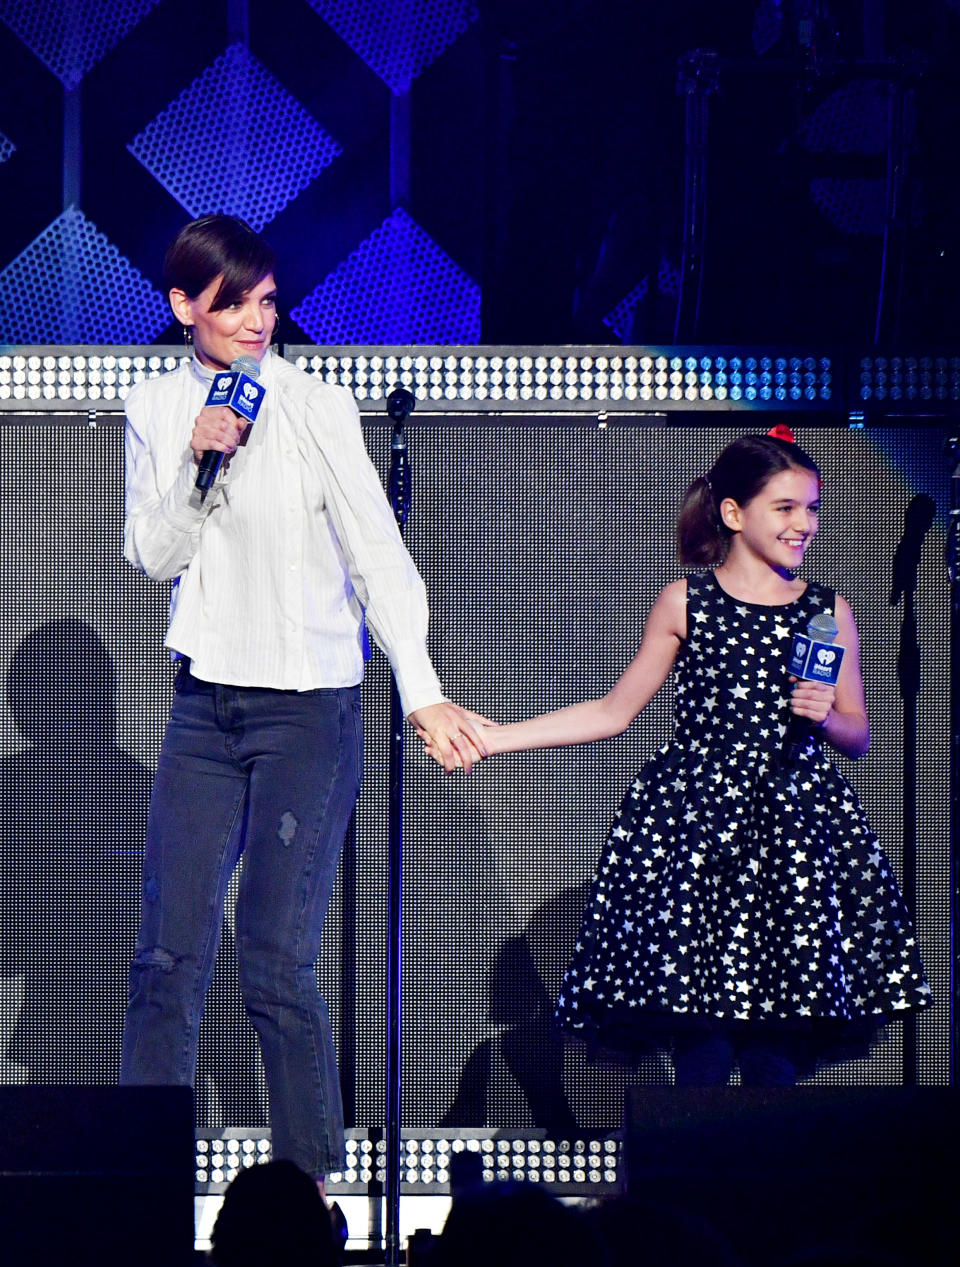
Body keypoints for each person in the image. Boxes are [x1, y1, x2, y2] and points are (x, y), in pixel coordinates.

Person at [120, 214, 485, 1182]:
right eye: (231, 301)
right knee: (166, 958)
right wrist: (198, 464)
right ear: (184, 307)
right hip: (204, 704)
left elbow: (378, 554)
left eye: (267, 299)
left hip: (307, 710)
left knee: (276, 958)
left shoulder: (317, 405)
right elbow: (152, 553)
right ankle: (137, 1178)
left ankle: (305, 1191)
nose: (253, 319)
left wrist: (423, 689)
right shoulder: (154, 405)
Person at [448, 430, 929, 1084]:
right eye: (785, 508)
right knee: (701, 1040)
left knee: (775, 1044)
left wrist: (827, 717)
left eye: (811, 509)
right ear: (733, 513)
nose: (803, 524)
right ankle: (689, 1177)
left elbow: (858, 734)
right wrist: (496, 736)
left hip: (788, 833)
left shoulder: (826, 612)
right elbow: (613, 712)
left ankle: (762, 1181)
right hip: (698, 832)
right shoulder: (686, 602)